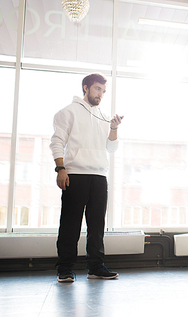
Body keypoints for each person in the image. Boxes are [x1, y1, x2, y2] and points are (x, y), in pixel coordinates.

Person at [50, 73, 123, 283]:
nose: (100, 94)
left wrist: (114, 128)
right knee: (70, 225)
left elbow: (111, 147)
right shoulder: (67, 112)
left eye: (103, 91)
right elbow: (56, 142)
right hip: (75, 175)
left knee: (97, 226)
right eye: (97, 89)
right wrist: (60, 169)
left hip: (99, 176)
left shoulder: (103, 117)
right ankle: (64, 269)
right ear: (86, 88)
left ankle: (96, 267)